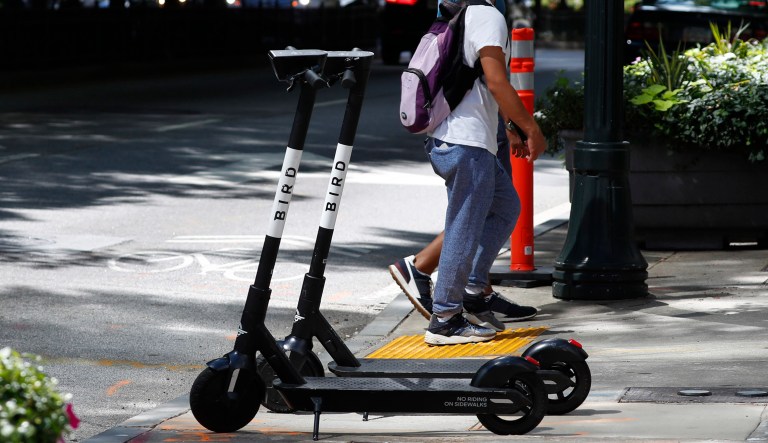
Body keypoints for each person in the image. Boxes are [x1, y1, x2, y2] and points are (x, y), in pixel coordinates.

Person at [398, 0, 547, 345]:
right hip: (464, 144)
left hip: (464, 140)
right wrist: (530, 127)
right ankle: (445, 318)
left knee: (505, 205)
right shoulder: (487, 15)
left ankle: (473, 291)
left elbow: (480, 83)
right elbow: (496, 82)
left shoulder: (463, 15)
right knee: (464, 226)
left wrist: (509, 125)